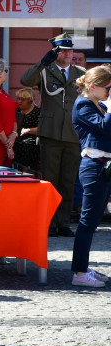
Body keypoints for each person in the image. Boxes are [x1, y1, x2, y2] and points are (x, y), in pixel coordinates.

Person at [21, 33, 86, 237]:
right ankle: (48, 222)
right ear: (55, 52)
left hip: (73, 133)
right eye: (63, 50)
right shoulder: (45, 70)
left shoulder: (80, 72)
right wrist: (42, 62)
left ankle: (63, 223)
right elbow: (25, 80)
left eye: (70, 50)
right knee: (50, 181)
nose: (68, 53)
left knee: (68, 181)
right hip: (50, 133)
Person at [68, 66, 111, 287]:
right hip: (93, 166)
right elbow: (104, 129)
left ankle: (83, 267)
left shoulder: (99, 104)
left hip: (104, 165)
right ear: (93, 87)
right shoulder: (83, 104)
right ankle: (79, 273)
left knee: (93, 221)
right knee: (87, 222)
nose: (109, 92)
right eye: (108, 88)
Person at [13, 88, 41, 171]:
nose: (20, 101)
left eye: (23, 99)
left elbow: (42, 128)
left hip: (31, 139)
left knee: (25, 146)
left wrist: (28, 130)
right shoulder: (16, 110)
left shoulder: (38, 112)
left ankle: (26, 171)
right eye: (18, 99)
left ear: (30, 100)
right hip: (15, 137)